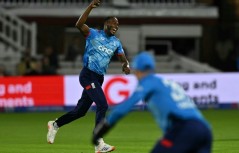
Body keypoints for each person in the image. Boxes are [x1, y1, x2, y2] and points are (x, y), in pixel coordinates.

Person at [47, 0, 130, 153]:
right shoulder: (93, 34)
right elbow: (79, 24)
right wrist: (90, 7)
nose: (116, 26)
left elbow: (122, 57)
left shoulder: (116, 42)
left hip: (98, 78)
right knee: (103, 105)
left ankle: (55, 124)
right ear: (106, 24)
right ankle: (98, 141)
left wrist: (126, 65)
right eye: (113, 23)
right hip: (87, 75)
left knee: (80, 112)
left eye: (117, 25)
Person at [93, 52, 213, 153]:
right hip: (205, 130)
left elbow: (126, 106)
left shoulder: (147, 82)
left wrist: (106, 126)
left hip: (184, 129)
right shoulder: (165, 82)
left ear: (138, 70)